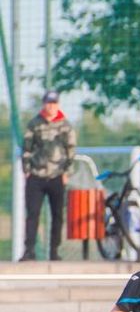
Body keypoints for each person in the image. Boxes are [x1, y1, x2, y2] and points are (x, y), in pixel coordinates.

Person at [21, 90, 77, 261]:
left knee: (57, 215)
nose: (50, 106)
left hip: (57, 176)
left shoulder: (65, 125)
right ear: (44, 104)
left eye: (53, 103)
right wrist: (26, 170)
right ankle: (29, 250)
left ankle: (54, 251)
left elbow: (71, 150)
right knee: (32, 214)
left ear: (57, 104)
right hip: (36, 176)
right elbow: (27, 148)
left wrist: (67, 173)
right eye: (47, 102)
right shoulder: (34, 124)